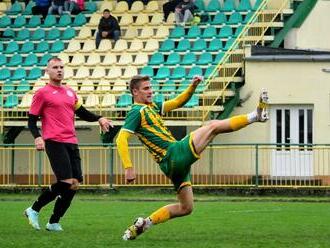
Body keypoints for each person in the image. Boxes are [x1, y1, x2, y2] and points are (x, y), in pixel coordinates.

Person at [116, 74, 269, 240]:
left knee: (185, 208)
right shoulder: (136, 112)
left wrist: (193, 86)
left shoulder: (151, 107)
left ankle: (144, 224)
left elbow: (177, 102)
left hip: (171, 165)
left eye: (150, 87)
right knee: (212, 126)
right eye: (146, 88)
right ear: (135, 92)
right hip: (173, 154)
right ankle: (255, 116)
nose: (150, 91)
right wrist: (128, 167)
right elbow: (121, 138)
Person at [24, 57, 113, 231]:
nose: (59, 70)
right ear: (47, 71)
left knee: (74, 184)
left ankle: (54, 222)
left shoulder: (70, 92)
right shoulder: (42, 93)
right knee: (65, 181)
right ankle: (33, 209)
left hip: (71, 141)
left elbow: (82, 112)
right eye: (55, 67)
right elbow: (31, 120)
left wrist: (99, 118)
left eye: (61, 67)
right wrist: (37, 137)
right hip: (54, 141)